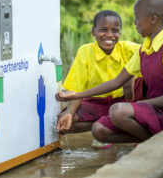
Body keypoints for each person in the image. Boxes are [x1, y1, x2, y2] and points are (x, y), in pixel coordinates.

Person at [56, 0, 163, 144]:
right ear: (93, 31)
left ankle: (157, 143)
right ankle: (149, 139)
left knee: (117, 111)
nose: (135, 23)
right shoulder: (145, 49)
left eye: (137, 18)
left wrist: (138, 104)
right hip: (152, 108)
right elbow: (116, 82)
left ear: (153, 19)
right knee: (99, 130)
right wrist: (77, 95)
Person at [56, 10, 140, 147]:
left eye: (115, 31)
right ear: (93, 32)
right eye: (103, 30)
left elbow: (153, 54)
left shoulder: (129, 49)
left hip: (124, 102)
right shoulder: (85, 51)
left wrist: (131, 77)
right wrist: (69, 113)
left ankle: (128, 134)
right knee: (65, 122)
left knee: (143, 93)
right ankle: (105, 129)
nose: (109, 35)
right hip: (96, 104)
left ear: (120, 33)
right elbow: (77, 89)